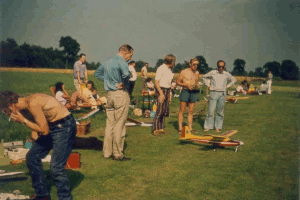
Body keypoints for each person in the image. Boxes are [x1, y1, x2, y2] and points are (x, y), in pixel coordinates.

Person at [0, 91, 76, 200]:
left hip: (64, 126)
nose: (6, 114)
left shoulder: (32, 103)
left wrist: (23, 121)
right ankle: (42, 195)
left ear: (10, 105)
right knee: (32, 157)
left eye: (4, 111)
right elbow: (37, 128)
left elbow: (44, 131)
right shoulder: (24, 108)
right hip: (52, 126)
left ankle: (65, 197)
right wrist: (26, 123)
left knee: (56, 167)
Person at [94, 44, 133, 161]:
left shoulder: (108, 61)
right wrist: (124, 84)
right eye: (130, 55)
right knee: (119, 124)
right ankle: (117, 154)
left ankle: (107, 152)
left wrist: (107, 81)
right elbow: (126, 74)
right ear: (126, 53)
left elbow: (97, 73)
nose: (130, 58)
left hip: (109, 95)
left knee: (110, 123)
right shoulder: (122, 62)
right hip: (120, 94)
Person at [202, 60, 236, 132]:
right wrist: (208, 85)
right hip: (213, 92)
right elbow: (204, 77)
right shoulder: (213, 72)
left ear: (224, 66)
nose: (221, 68)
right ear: (217, 66)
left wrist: (228, 86)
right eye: (219, 66)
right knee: (211, 110)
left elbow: (234, 80)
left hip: (222, 93)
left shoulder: (226, 74)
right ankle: (208, 126)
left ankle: (218, 127)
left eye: (222, 66)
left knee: (220, 111)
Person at [152, 54, 175, 136]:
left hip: (168, 90)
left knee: (165, 110)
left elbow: (169, 82)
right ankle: (155, 129)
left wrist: (170, 93)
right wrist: (161, 93)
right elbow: (156, 82)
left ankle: (161, 127)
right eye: (173, 61)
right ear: (171, 61)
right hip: (161, 90)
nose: (174, 63)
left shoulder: (169, 70)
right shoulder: (161, 68)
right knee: (159, 110)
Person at [176, 58, 200, 133]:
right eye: (194, 64)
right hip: (185, 91)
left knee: (191, 111)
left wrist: (198, 85)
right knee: (182, 110)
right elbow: (178, 82)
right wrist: (185, 85)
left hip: (193, 92)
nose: (195, 66)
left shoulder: (197, 73)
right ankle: (180, 128)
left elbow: (196, 82)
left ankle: (190, 128)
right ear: (190, 64)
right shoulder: (184, 72)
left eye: (197, 64)